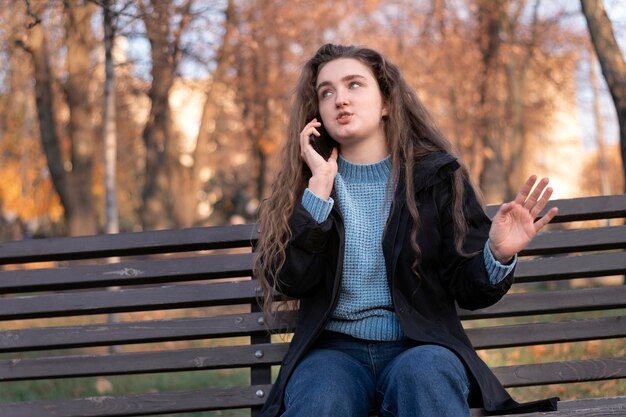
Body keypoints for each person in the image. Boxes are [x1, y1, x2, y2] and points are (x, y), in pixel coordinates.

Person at [253, 43, 560, 417]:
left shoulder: (436, 177)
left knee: (425, 376)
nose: (339, 100)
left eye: (354, 85)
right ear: (316, 112)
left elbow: (469, 289)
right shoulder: (305, 187)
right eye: (326, 92)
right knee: (321, 395)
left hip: (419, 345)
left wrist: (497, 255)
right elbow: (288, 282)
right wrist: (318, 191)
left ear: (386, 103)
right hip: (332, 352)